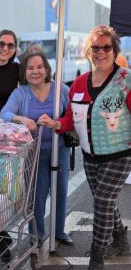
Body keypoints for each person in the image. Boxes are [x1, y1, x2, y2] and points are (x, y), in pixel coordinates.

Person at [38, 25, 131, 270]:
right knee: (106, 202)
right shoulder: (78, 84)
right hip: (90, 157)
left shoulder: (126, 80)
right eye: (95, 47)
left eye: (106, 47)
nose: (100, 52)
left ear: (114, 50)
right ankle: (121, 238)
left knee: (101, 202)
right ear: (88, 52)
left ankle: (96, 259)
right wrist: (55, 123)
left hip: (120, 155)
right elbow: (70, 119)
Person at [0, 50, 73, 247]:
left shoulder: (61, 90)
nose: (35, 71)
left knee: (60, 191)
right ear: (24, 72)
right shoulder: (20, 93)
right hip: (35, 152)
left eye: (39, 67)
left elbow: (73, 114)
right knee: (37, 194)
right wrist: (21, 118)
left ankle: (59, 231)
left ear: (47, 69)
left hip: (60, 149)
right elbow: (5, 112)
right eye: (30, 68)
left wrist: (56, 122)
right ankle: (37, 235)